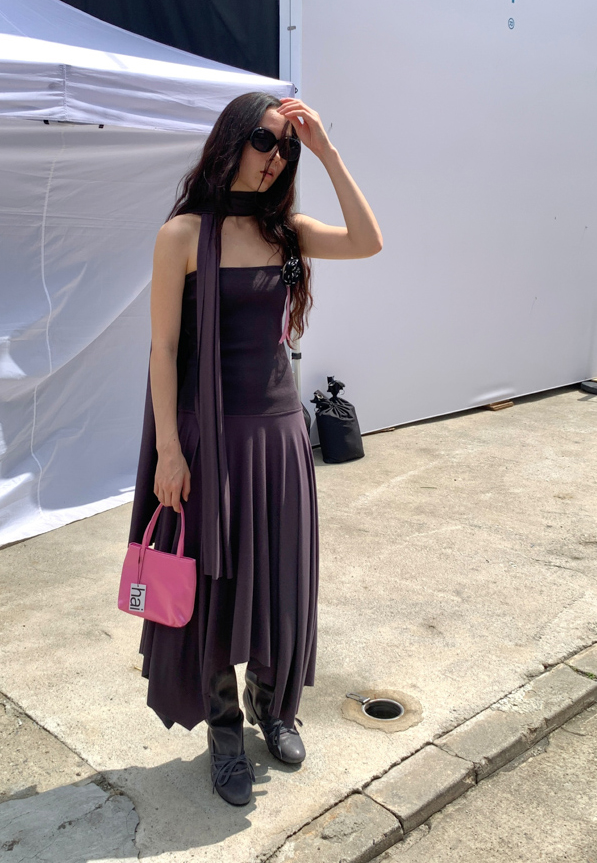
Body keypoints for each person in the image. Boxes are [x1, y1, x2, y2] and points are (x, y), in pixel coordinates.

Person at [127, 92, 382, 806]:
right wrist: (169, 451)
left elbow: (368, 241)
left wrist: (326, 152)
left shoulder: (286, 232)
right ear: (232, 140)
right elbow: (163, 349)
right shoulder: (182, 234)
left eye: (286, 148)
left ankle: (273, 707)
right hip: (209, 439)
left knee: (278, 581)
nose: (276, 158)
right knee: (213, 588)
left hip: (278, 435)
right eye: (265, 141)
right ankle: (225, 732)